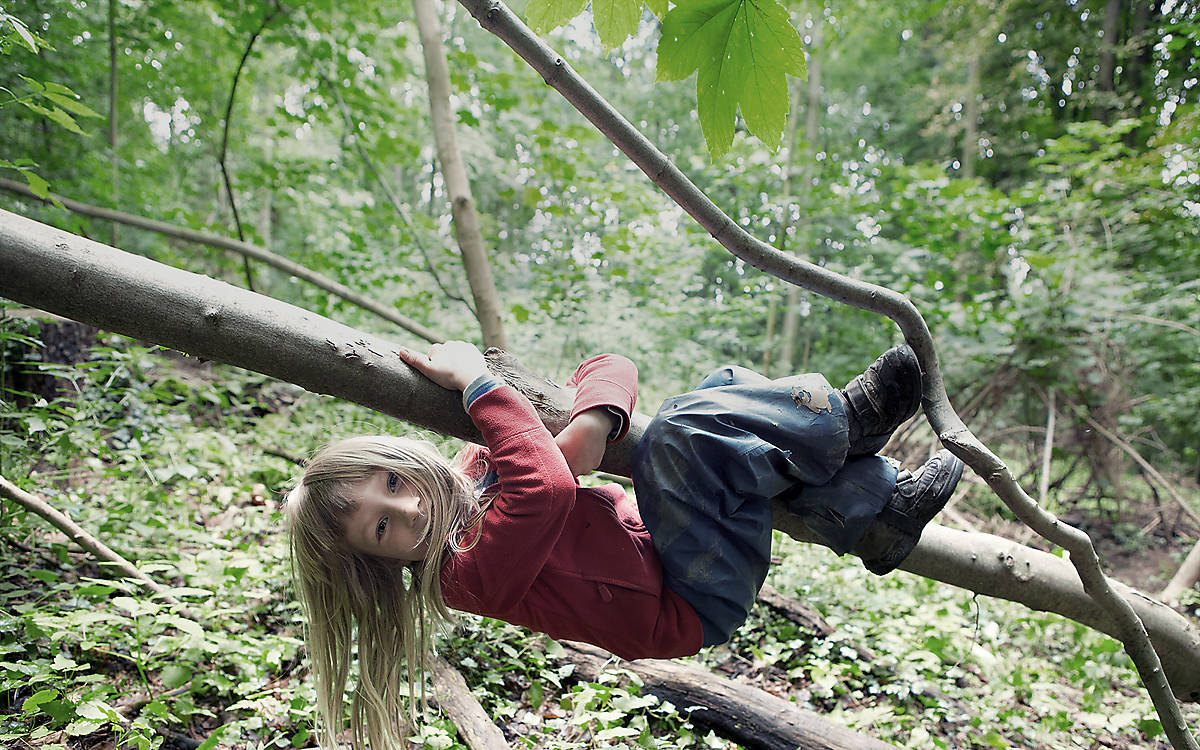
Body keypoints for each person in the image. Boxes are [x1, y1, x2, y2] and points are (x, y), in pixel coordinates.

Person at [284, 341, 964, 748]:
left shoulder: (472, 470)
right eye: (381, 528)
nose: (408, 509)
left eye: (394, 482)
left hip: (666, 546)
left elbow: (611, 361)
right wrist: (476, 384)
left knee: (725, 394)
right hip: (686, 595)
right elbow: (545, 492)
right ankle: (851, 422)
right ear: (376, 566)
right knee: (681, 433)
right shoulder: (460, 577)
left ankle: (878, 513)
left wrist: (595, 418)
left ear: (404, 456)